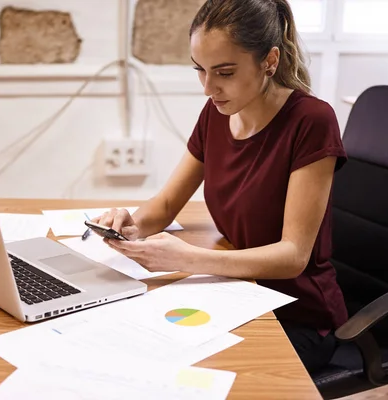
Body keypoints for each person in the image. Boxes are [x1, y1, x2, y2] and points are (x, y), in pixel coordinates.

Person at [93, 0, 347, 373]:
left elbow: (294, 256)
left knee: (184, 374)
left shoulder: (312, 121)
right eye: (201, 70)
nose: (209, 88)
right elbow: (165, 204)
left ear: (270, 61)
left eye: (224, 72)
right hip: (236, 294)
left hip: (296, 315)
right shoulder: (216, 112)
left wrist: (186, 259)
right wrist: (129, 224)